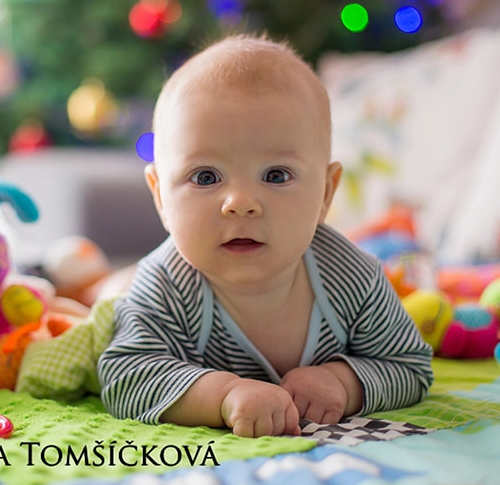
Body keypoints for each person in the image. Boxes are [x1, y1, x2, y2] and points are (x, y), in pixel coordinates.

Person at [97, 34, 433, 438]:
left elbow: (409, 364)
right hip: (134, 288)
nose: (240, 203)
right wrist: (222, 395)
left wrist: (342, 382)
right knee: (112, 300)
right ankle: (97, 284)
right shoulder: (167, 284)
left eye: (276, 175)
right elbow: (124, 377)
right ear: (161, 197)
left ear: (326, 192)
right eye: (206, 177)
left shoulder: (351, 277)